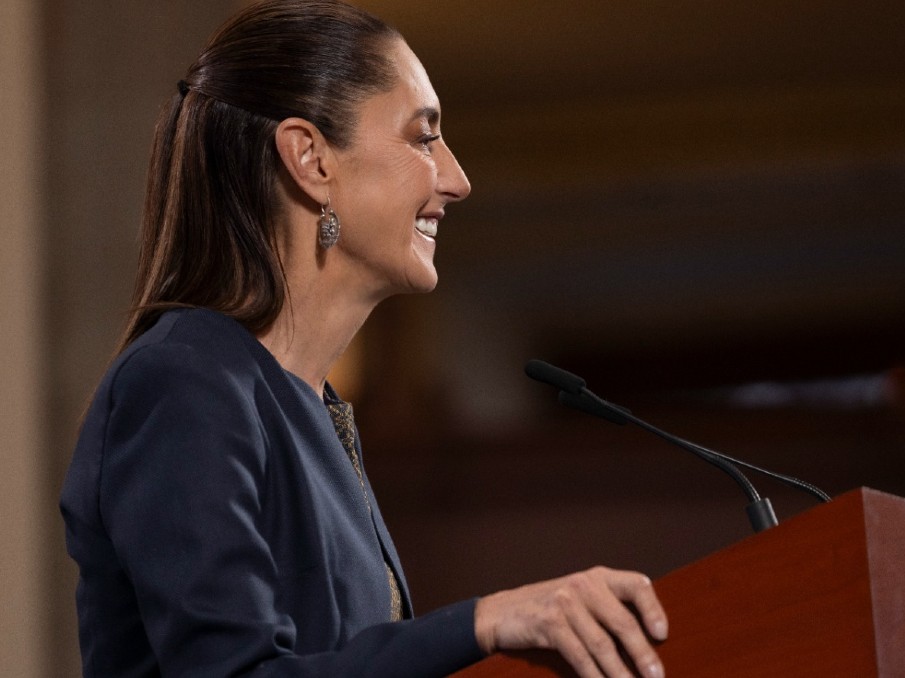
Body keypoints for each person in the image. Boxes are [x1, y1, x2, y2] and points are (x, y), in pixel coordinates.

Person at [59, 1, 668, 676]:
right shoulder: (184, 380)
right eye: (423, 137)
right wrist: (485, 621)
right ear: (312, 160)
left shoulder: (306, 403)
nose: (457, 180)